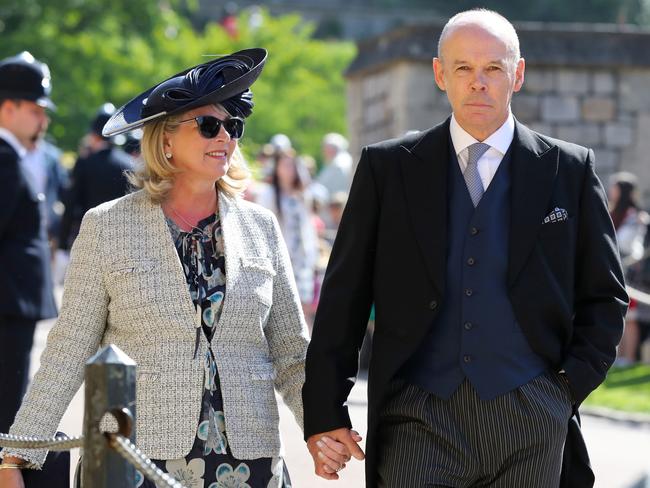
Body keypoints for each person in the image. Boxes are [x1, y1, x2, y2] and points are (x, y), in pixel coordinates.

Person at [302, 9, 628, 488]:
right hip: (417, 416)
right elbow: (344, 298)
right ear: (440, 74)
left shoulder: (569, 169)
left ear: (517, 74)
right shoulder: (387, 168)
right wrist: (325, 411)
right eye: (463, 68)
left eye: (493, 68)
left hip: (532, 419)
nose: (479, 83)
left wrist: (563, 391)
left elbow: (606, 297)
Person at [0, 48, 312, 488]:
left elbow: (291, 352)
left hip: (251, 464)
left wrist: (323, 428)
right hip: (135, 459)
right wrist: (17, 454)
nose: (224, 137)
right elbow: (68, 349)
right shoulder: (105, 226)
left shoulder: (262, 226)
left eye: (233, 126)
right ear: (164, 140)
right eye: (208, 125)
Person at [0, 51, 58, 438]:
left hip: (10, 303)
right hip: (6, 305)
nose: (44, 120)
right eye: (36, 109)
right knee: (7, 413)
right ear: (8, 107)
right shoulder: (3, 159)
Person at [256, 148, 319, 327]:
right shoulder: (268, 195)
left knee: (305, 306)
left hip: (302, 259)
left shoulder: (302, 195)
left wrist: (312, 253)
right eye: (285, 165)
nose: (289, 169)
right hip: (280, 259)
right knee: (283, 307)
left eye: (292, 165)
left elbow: (308, 227)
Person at [58, 103, 134, 251]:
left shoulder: (85, 163)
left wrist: (62, 244)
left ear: (94, 135)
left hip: (90, 239)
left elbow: (71, 204)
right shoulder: (131, 165)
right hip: (123, 241)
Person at [608, 172, 649, 365]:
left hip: (629, 272)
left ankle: (629, 357)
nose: (611, 191)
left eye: (615, 188)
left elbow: (635, 247)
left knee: (631, 316)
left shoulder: (636, 217)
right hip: (612, 266)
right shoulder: (611, 212)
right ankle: (618, 355)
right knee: (615, 312)